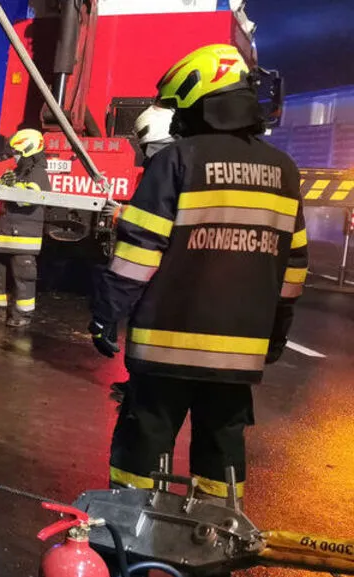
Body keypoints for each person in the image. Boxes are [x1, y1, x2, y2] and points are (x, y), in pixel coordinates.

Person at [89, 44, 308, 502]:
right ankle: (217, 541)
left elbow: (139, 251)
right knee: (221, 453)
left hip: (165, 349)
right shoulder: (285, 171)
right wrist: (277, 333)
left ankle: (130, 537)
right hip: (239, 357)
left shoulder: (177, 160)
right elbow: (293, 268)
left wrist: (107, 314)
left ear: (199, 99)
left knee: (142, 448)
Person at [107, 104, 178, 406]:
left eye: (149, 147)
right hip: (164, 267)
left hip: (164, 267)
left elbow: (152, 224)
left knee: (155, 327)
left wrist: (110, 307)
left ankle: (147, 389)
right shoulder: (175, 165)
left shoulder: (170, 168)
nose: (147, 155)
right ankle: (140, 384)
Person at [0, 128, 51, 328]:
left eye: (17, 152)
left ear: (28, 150)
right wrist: (2, 183)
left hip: (23, 236)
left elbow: (28, 199)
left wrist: (12, 187)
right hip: (5, 233)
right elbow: (0, 192)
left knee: (23, 277)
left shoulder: (38, 173)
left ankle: (23, 314)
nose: (14, 156)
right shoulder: (19, 171)